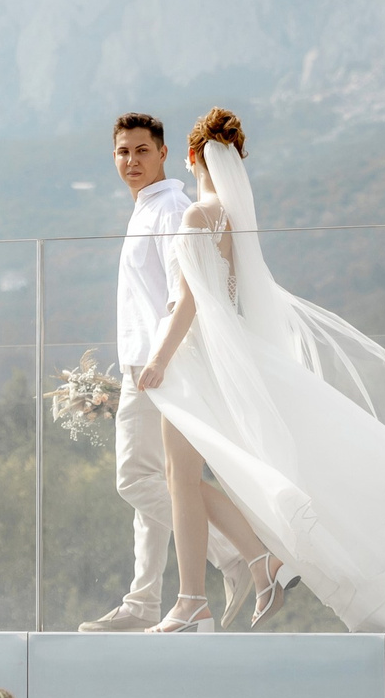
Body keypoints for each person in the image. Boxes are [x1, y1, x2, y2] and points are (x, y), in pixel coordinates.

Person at [132, 108, 385, 633]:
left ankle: (196, 599)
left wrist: (159, 358)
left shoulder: (195, 217)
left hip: (197, 359)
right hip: (228, 355)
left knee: (179, 479)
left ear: (188, 157)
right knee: (186, 476)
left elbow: (188, 301)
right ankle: (248, 569)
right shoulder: (230, 219)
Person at [76, 113, 257, 632]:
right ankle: (142, 603)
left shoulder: (171, 209)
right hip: (144, 364)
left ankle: (230, 555)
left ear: (162, 154)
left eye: (141, 151)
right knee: (151, 483)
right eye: (122, 153)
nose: (131, 161)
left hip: (161, 368)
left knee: (138, 478)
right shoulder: (148, 209)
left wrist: (156, 364)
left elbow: (189, 295)